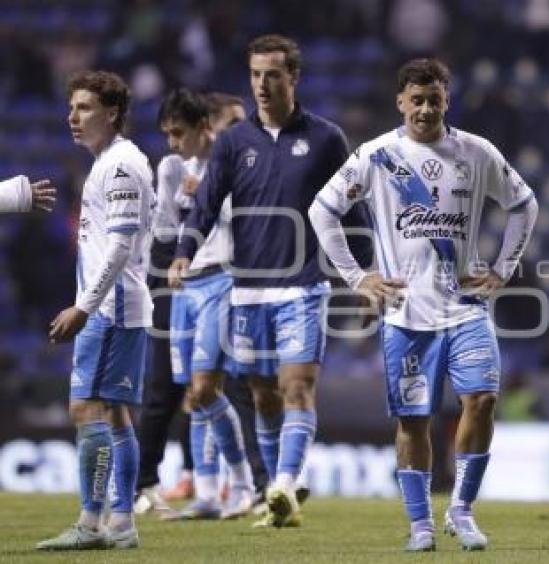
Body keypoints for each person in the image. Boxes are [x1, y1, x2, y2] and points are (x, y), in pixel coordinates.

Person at [308, 58, 538, 552]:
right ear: (401, 102)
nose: (426, 109)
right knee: (413, 421)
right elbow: (322, 210)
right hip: (406, 313)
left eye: (435, 99)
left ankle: (461, 509)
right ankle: (420, 525)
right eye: (417, 100)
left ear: (446, 101)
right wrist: (358, 276)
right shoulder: (376, 156)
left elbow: (525, 204)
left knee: (483, 400)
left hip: (466, 307)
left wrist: (503, 267)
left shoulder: (476, 153)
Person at [172, 34, 370, 528]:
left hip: (303, 285)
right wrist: (183, 253)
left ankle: (283, 484)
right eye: (256, 74)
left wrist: (365, 276)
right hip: (248, 290)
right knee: (262, 394)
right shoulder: (235, 142)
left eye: (273, 75)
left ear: (293, 78)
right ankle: (274, 494)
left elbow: (354, 211)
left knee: (297, 386)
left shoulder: (326, 138)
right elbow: (207, 201)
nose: (262, 84)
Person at [38, 70, 155, 551]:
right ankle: (123, 522)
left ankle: (91, 522)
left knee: (87, 408)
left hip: (112, 307)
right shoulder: (109, 162)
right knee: (116, 414)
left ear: (113, 113)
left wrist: (84, 307)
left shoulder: (122, 164)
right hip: (117, 306)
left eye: (84, 107)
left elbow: (121, 246)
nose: (73, 116)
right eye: (72, 107)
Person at [151, 88, 256, 520]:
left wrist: (214, 196)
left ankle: (244, 483)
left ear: (202, 128)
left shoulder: (232, 163)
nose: (173, 143)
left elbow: (254, 217)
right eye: (168, 135)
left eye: (179, 133)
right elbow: (164, 227)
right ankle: (209, 494)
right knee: (194, 396)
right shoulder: (175, 167)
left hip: (222, 280)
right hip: (185, 286)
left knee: (206, 388)